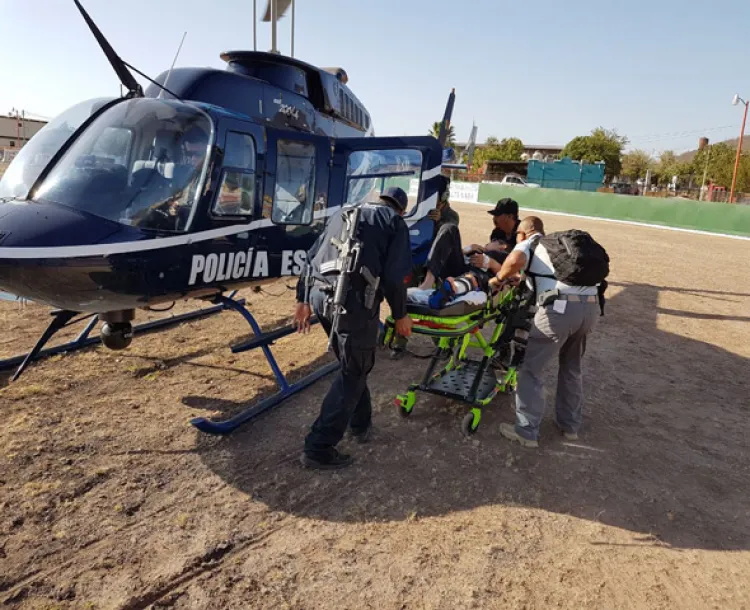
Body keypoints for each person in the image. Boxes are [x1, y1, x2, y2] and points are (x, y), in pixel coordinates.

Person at [293, 186, 414, 469]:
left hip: (320, 296)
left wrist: (302, 298)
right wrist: (401, 315)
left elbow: (312, 255)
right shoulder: (394, 223)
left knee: (354, 364)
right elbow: (396, 278)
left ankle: (361, 424)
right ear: (401, 209)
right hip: (352, 303)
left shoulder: (346, 212)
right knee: (354, 369)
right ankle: (318, 447)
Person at [489, 216, 600, 447]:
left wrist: (498, 278)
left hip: (559, 311)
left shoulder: (531, 243)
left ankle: (526, 431)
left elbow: (516, 259)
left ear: (524, 232)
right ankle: (570, 426)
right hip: (589, 307)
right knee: (571, 366)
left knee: (531, 370)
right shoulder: (557, 249)